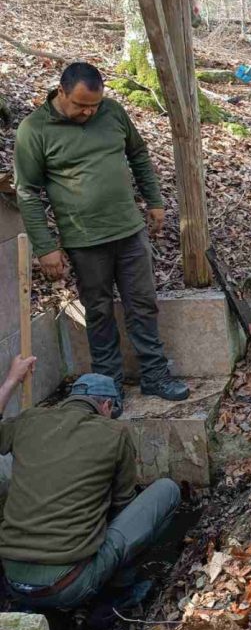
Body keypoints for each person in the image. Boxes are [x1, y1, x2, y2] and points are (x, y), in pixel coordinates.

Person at [13, 62, 189, 414]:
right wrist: (46, 247)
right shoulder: (35, 130)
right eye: (80, 105)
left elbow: (137, 153)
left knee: (142, 303)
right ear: (61, 92)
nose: (89, 111)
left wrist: (154, 201)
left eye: (94, 104)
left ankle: (155, 374)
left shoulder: (112, 112)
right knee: (98, 311)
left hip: (129, 229)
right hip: (84, 238)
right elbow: (28, 192)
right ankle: (108, 387)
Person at [0, 368, 180, 611]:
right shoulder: (113, 433)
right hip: (69, 586)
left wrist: (12, 379)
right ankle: (117, 597)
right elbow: (123, 504)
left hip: (13, 582)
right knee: (167, 490)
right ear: (106, 405)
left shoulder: (28, 420)